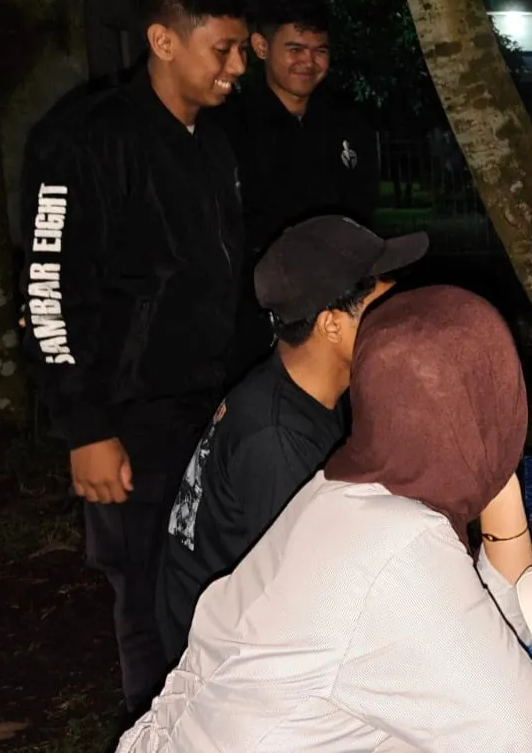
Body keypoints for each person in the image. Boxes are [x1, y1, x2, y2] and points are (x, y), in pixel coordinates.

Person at [118, 286, 532, 751]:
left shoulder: (344, 491)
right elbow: (531, 736)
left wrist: (497, 473)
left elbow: (494, 626)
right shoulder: (397, 546)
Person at [18, 0, 249, 715]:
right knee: (146, 602)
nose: (238, 67)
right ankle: (152, 731)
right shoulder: (82, 141)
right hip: (128, 422)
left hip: (206, 411)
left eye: (241, 49)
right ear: (163, 39)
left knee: (213, 587)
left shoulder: (209, 142)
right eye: (224, 49)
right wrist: (84, 427)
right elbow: (48, 295)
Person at [154, 216, 426, 663]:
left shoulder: (304, 389)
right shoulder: (277, 437)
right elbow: (308, 600)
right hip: (226, 665)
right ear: (332, 325)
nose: (398, 315)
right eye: (381, 300)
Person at [217, 0, 377, 380]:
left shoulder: (347, 123)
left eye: (319, 50)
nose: (309, 61)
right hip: (254, 315)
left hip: (338, 308)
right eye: (295, 49)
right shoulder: (227, 127)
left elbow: (364, 213)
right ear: (260, 47)